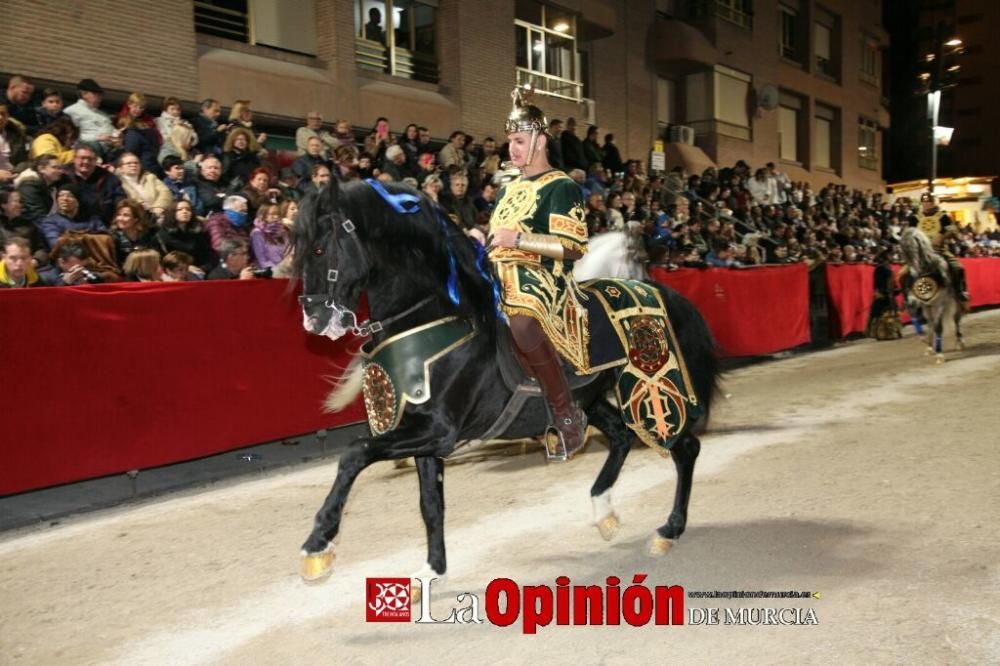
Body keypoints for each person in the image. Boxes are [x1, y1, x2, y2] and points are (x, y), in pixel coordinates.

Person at [488, 87, 589, 460]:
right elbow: (496, 239)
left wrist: (518, 239)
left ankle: (567, 415)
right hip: (499, 269)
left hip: (544, 277)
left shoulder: (562, 186)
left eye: (519, 140)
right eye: (509, 141)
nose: (511, 149)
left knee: (522, 321)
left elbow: (572, 248)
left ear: (540, 140)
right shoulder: (506, 190)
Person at [912, 192, 969, 307]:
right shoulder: (914, 218)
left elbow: (952, 230)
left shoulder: (943, 217)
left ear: (933, 203)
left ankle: (960, 291)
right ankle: (910, 298)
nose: (926, 204)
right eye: (924, 202)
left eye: (929, 202)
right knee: (904, 273)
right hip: (920, 252)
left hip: (940, 250)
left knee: (958, 268)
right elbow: (909, 233)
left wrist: (941, 237)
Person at [157, 200, 214, 272]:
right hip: (174, 272)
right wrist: (186, 268)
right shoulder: (162, 235)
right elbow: (163, 260)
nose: (185, 212)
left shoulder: (198, 234)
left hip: (199, 271)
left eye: (188, 209)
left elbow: (207, 256)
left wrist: (202, 269)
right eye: (180, 209)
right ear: (172, 212)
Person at [117, 152, 172, 220]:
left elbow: (165, 192)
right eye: (129, 163)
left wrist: (158, 207)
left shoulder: (150, 177)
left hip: (159, 214)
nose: (133, 165)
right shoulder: (118, 183)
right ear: (120, 168)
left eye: (136, 163)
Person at [110, 199, 158, 268]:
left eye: (126, 215)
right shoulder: (113, 236)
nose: (120, 218)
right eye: (118, 215)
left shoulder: (148, 234)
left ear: (136, 219)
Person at [867, 246, 902, 340]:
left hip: (889, 292)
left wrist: (895, 289)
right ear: (886, 256)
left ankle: (890, 333)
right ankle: (883, 334)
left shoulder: (886, 266)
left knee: (889, 312)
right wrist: (880, 292)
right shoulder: (881, 268)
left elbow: (891, 281)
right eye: (891, 255)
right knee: (882, 313)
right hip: (883, 292)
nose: (892, 257)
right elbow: (878, 282)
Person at [250, 203, 290, 270]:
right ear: (263, 216)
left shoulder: (283, 232)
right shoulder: (257, 233)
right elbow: (262, 260)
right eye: (272, 214)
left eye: (278, 214)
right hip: (269, 272)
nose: (276, 217)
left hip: (285, 269)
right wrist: (277, 270)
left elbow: (288, 253)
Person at [0, 105, 29, 184]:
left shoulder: (17, 135)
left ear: (8, 116)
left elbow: (23, 161)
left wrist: (15, 172)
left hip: (14, 175)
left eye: (3, 114)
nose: (0, 117)